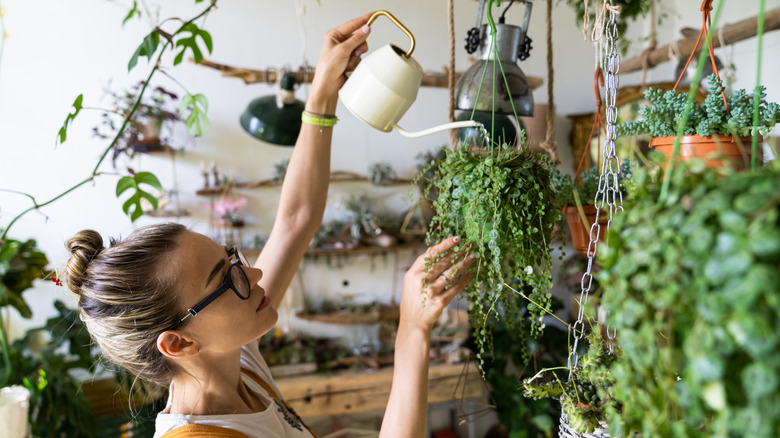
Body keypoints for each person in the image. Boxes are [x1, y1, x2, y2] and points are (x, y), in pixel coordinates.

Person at [64, 12, 477, 438]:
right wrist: (413, 331)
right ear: (180, 344)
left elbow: (295, 221)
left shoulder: (236, 362)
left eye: (232, 260)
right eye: (227, 280)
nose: (255, 273)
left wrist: (322, 94)